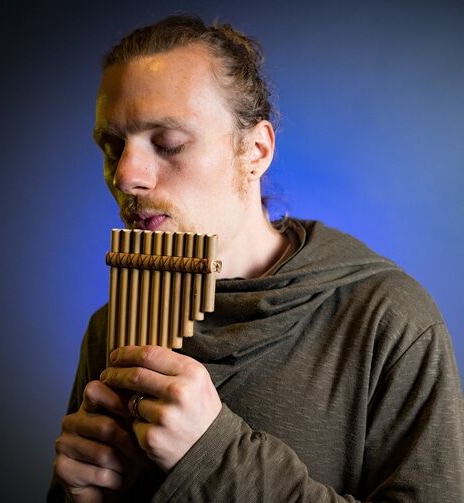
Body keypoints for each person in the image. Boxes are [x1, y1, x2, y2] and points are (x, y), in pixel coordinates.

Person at [49, 14, 464, 502]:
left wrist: (214, 455)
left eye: (168, 143)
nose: (126, 175)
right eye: (112, 147)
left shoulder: (389, 319)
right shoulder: (114, 326)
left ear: (256, 151)